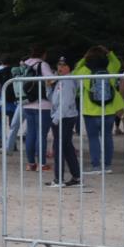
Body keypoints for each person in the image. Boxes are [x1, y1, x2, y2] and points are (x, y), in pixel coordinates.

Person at [73, 46, 124, 174]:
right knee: (107, 137)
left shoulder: (84, 71)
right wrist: (108, 52)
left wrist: (84, 58)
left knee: (93, 138)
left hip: (90, 111)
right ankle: (107, 166)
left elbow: (75, 72)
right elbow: (117, 62)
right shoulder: (110, 69)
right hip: (108, 110)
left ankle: (96, 166)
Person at [47, 56, 81, 187]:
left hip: (64, 118)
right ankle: (76, 177)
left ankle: (58, 179)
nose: (60, 68)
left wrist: (56, 119)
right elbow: (53, 99)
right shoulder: (61, 80)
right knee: (67, 147)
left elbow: (65, 103)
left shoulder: (67, 81)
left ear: (69, 67)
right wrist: (49, 87)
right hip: (62, 116)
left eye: (64, 65)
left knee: (59, 147)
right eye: (59, 65)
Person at [21, 46, 54, 172]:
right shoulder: (42, 64)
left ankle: (30, 163)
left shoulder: (25, 64)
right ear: (43, 54)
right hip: (42, 104)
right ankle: (42, 164)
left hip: (27, 103)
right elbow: (50, 79)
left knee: (31, 134)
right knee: (42, 135)